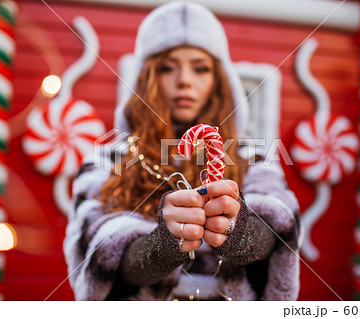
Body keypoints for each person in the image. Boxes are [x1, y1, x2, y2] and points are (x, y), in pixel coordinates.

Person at [63, 1, 301, 301]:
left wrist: (236, 232)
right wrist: (163, 244)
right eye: (167, 68)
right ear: (147, 77)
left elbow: (277, 227)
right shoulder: (108, 160)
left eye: (200, 68)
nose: (185, 80)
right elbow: (101, 251)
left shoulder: (253, 157)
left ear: (219, 81)